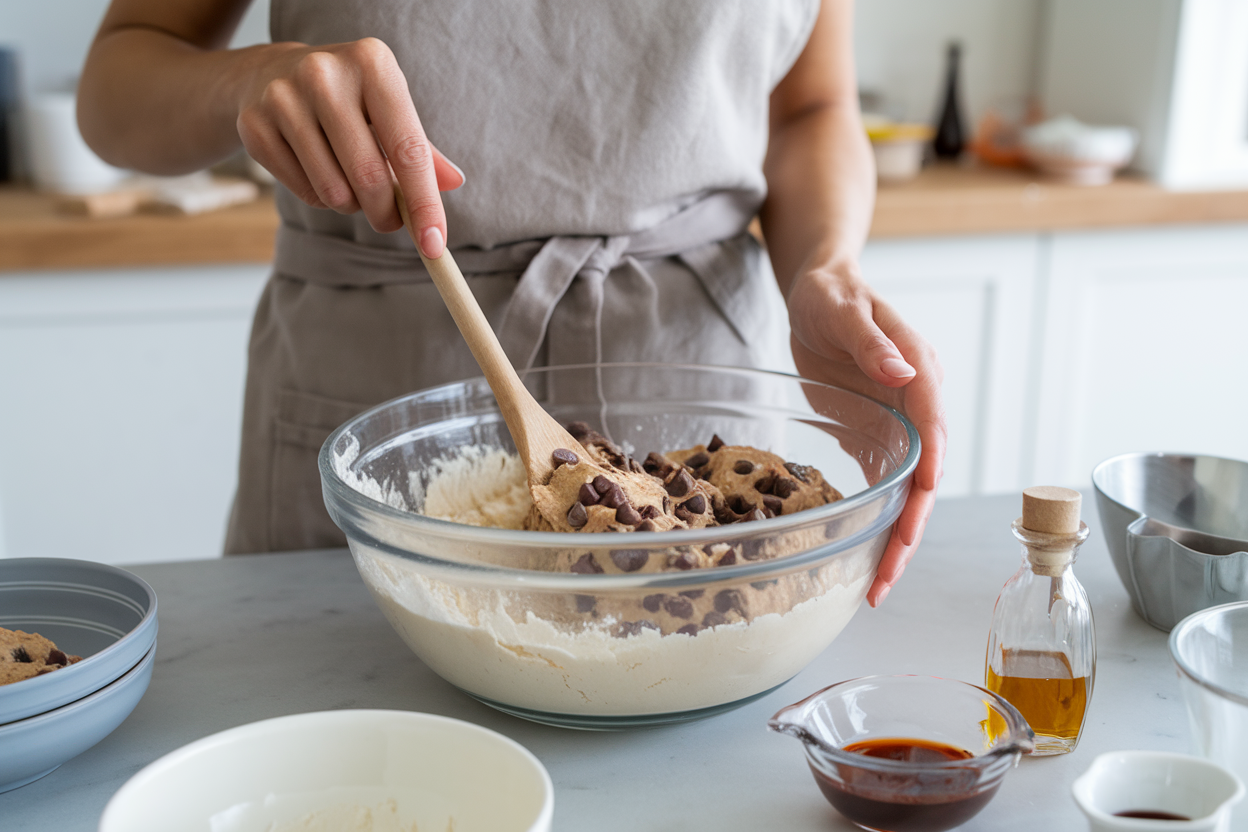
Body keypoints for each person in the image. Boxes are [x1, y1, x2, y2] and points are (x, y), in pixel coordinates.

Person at [79, 0, 946, 607]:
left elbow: (813, 107)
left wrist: (825, 267)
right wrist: (247, 80)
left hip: (685, 366)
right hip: (376, 399)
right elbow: (116, 84)